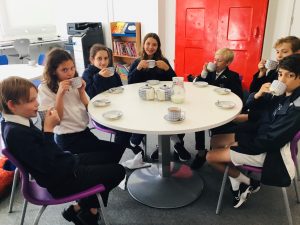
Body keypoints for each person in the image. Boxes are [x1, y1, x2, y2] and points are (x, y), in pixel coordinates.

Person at [0, 76, 126, 225]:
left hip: (65, 164)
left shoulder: (15, 121)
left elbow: (43, 152)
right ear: (12, 105)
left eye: (36, 98)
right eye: (31, 100)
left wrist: (49, 135)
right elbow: (46, 165)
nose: (37, 103)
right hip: (61, 180)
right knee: (118, 171)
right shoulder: (15, 133)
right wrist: (48, 131)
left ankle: (80, 208)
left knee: (111, 154)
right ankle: (86, 211)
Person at [206, 54, 300, 209]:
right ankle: (239, 182)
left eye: (289, 76)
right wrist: (258, 95)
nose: (282, 80)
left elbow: (271, 141)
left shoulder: (295, 109)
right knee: (215, 140)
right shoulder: (282, 95)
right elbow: (260, 115)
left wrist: (240, 143)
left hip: (270, 153)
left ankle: (251, 182)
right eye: (280, 74)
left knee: (211, 157)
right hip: (259, 137)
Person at [128, 32, 191, 162]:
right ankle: (173, 144)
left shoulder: (162, 61)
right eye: (148, 43)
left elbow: (174, 80)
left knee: (173, 115)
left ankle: (169, 145)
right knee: (153, 117)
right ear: (143, 45)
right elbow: (130, 83)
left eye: (154, 44)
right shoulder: (137, 62)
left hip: (163, 98)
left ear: (158, 46)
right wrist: (138, 68)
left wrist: (167, 68)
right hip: (145, 100)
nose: (151, 47)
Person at [188, 48, 243, 169]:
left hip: (223, 109)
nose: (215, 62)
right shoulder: (209, 73)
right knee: (199, 122)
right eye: (214, 59)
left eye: (219, 61)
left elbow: (239, 97)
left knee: (217, 127)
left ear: (227, 63)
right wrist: (203, 72)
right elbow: (196, 84)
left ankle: (217, 151)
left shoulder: (233, 76)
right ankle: (201, 152)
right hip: (207, 106)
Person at [81, 44, 140, 156]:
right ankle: (116, 154)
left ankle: (129, 142)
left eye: (106, 58)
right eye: (99, 58)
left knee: (135, 117)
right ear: (92, 59)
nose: (103, 62)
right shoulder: (88, 74)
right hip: (100, 113)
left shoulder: (112, 72)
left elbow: (121, 89)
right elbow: (90, 97)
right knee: (124, 127)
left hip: (116, 107)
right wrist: (98, 77)